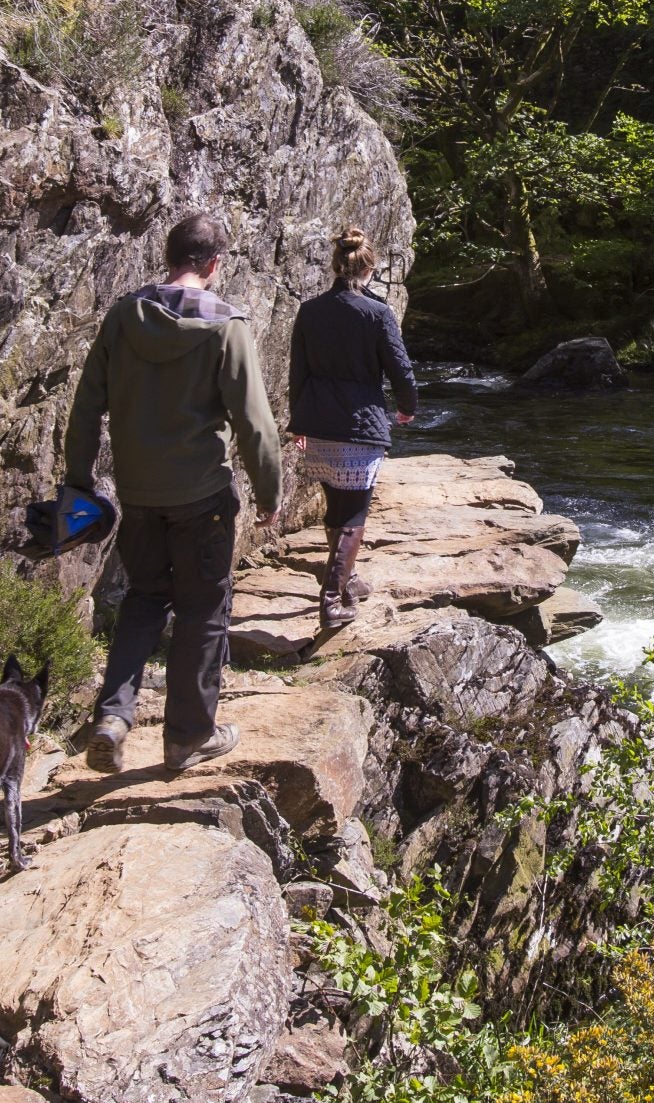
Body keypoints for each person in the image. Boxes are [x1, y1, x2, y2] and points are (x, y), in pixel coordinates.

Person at [62, 213, 283, 774]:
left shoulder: (121, 317)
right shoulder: (226, 326)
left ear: (169, 258)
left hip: (138, 494)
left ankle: (113, 716)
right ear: (213, 264)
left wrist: (80, 479)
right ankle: (188, 737)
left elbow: (86, 406)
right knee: (203, 611)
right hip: (203, 495)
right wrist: (268, 493)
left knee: (143, 598)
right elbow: (255, 424)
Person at [288, 227, 417, 628]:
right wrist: (408, 408)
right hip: (359, 423)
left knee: (335, 509)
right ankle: (330, 601)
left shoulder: (309, 311)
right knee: (354, 514)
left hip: (319, 422)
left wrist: (299, 421)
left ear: (335, 265)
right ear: (370, 269)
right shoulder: (377, 313)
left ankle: (349, 580)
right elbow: (399, 367)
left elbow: (298, 372)